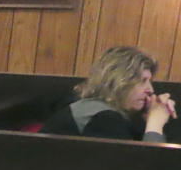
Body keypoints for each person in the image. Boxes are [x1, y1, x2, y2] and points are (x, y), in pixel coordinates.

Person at [41, 46, 176, 142]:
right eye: (142, 81)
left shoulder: (99, 109)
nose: (150, 90)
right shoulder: (103, 117)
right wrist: (155, 123)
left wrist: (150, 118)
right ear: (119, 81)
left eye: (149, 81)